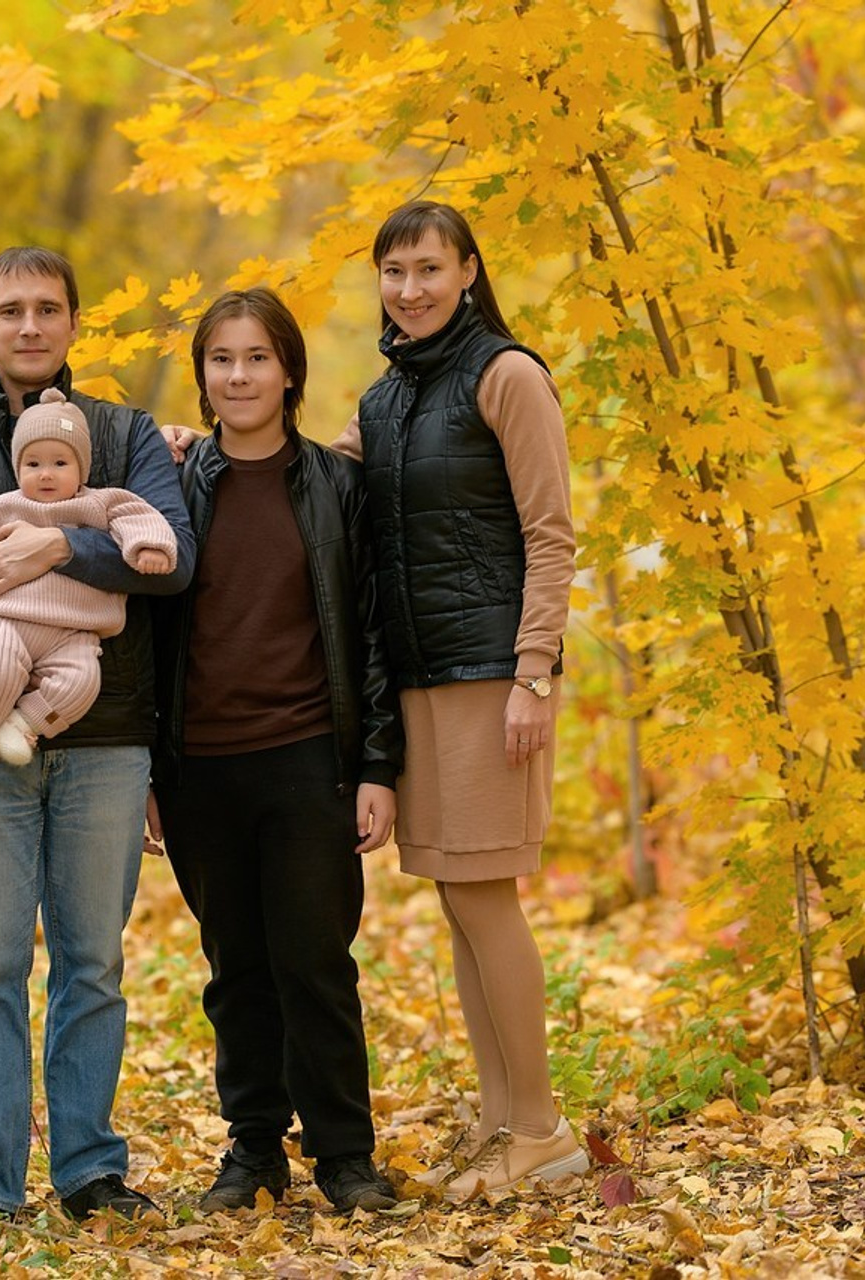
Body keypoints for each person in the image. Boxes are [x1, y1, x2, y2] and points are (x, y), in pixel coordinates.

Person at [0, 247, 194, 1220]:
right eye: (9, 309)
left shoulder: (126, 436)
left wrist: (66, 544)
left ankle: (90, 1171)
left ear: (73, 323)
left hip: (106, 740)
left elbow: (175, 561)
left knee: (93, 963)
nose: (28, 325)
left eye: (47, 308)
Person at [338, 199, 588, 1198]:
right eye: (393, 271)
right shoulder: (384, 399)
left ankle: (541, 1128)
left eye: (429, 268)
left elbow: (551, 533)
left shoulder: (506, 375)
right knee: (457, 898)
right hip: (420, 680)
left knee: (487, 895)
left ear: (469, 271)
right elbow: (318, 482)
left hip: (492, 677)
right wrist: (209, 442)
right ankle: (498, 1120)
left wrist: (533, 673)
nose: (410, 289)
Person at [145, 288, 404, 1215]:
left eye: (258, 357)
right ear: (202, 376)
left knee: (315, 962)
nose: (240, 375)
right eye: (222, 359)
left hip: (307, 759)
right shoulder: (172, 486)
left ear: (289, 370)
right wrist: (148, 769)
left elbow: (373, 634)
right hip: (200, 767)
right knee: (236, 970)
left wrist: (377, 766)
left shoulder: (337, 486)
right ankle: (253, 1149)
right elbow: (141, 637)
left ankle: (345, 1155)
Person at [0, 387, 177, 805]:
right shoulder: (5, 508)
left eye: (59, 463)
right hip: (7, 620)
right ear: (18, 468)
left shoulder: (99, 504)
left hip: (74, 631)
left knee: (82, 683)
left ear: (81, 466)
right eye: (33, 464)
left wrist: (149, 547)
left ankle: (23, 725)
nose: (46, 474)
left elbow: (139, 516)